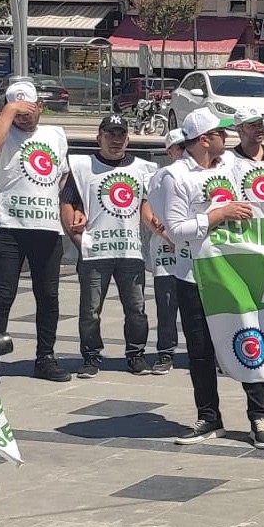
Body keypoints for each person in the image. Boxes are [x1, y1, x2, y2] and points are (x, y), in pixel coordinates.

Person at [157, 108, 264, 448]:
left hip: (234, 271)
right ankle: (209, 417)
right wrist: (218, 215)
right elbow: (176, 230)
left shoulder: (232, 167)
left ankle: (259, 416)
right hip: (194, 274)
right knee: (201, 351)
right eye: (221, 133)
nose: (227, 137)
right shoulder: (175, 176)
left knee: (250, 342)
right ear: (204, 139)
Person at [61, 115, 158, 378]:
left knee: (136, 309)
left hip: (130, 251)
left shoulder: (142, 169)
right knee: (90, 311)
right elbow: (67, 201)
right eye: (110, 134)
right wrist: (76, 237)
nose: (115, 140)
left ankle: (136, 355)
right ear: (99, 137)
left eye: (120, 135)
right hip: (95, 251)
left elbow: (146, 207)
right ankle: (91, 357)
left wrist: (160, 229)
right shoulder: (83, 167)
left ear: (128, 138)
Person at [0, 79, 71, 382]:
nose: (26, 116)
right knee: (1, 295)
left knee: (48, 296)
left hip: (46, 228)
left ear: (39, 106)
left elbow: (62, 177)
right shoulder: (2, 131)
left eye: (29, 109)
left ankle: (46, 358)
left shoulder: (55, 135)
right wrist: (9, 110)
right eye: (18, 110)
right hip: (8, 226)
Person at [146, 129, 187, 375]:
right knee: (167, 304)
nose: (183, 152)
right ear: (170, 151)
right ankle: (165, 352)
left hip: (192, 249)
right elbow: (147, 210)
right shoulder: (159, 176)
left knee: (199, 305)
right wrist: (167, 235)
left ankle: (205, 351)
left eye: (186, 146)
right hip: (166, 249)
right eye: (179, 148)